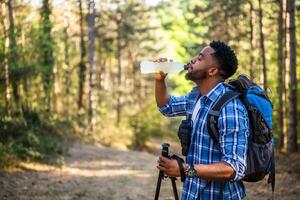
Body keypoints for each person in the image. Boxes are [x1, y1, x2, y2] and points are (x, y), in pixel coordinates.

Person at [155, 40, 249, 200]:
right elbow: (167, 106)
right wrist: (159, 80)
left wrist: (185, 170)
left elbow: (233, 168)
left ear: (212, 70)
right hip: (192, 194)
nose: (192, 60)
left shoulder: (230, 108)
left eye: (199, 58)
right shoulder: (196, 96)